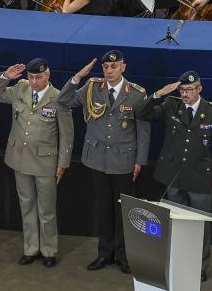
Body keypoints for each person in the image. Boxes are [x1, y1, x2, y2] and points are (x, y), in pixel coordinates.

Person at [57, 51, 150, 274]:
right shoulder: (92, 88)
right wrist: (77, 78)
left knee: (122, 210)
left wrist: (140, 161)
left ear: (123, 68)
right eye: (106, 67)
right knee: (103, 208)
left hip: (123, 161)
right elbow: (63, 100)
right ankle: (103, 253)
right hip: (97, 159)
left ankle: (122, 255)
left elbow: (144, 131)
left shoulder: (136, 94)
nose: (109, 71)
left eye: (114, 67)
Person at [137, 71, 212, 281]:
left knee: (199, 226)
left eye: (189, 90)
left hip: (199, 177)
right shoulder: (170, 105)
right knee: (175, 223)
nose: (185, 94)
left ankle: (199, 267)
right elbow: (141, 113)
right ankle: (177, 261)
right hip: (173, 177)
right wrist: (158, 94)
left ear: (199, 88)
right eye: (182, 90)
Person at [0, 58, 73, 268]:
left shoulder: (58, 98)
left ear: (48, 75)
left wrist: (63, 162)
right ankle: (30, 248)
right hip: (20, 158)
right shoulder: (20, 89)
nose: (34, 81)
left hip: (46, 162)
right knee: (26, 205)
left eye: (38, 77)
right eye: (31, 77)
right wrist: (4, 77)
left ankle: (48, 250)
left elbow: (67, 134)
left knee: (46, 209)